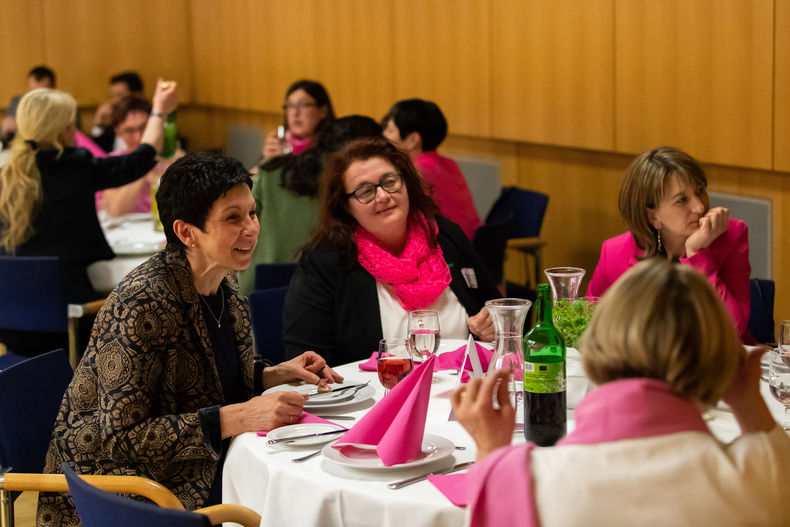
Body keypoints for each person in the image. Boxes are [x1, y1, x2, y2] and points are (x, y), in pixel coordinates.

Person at [38, 151, 343, 526]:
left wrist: (272, 374)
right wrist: (237, 416)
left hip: (196, 467)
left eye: (252, 212)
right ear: (186, 232)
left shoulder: (223, 284)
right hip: (125, 494)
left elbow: (202, 380)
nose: (252, 228)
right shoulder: (143, 302)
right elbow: (121, 438)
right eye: (233, 218)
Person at [454, 259, 790, 525]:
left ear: (597, 343)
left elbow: (494, 506)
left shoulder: (528, 482)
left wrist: (490, 451)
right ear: (718, 364)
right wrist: (747, 399)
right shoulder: (759, 477)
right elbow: (773, 454)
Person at [283, 136, 500, 366]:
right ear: (346, 206)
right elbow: (306, 360)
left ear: (406, 182)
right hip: (376, 398)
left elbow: (500, 313)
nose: (383, 196)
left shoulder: (444, 237)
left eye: (390, 181)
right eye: (365, 192)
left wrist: (492, 326)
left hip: (462, 392)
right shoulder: (325, 261)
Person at [0, 82, 177, 357]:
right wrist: (159, 110)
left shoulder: (6, 175)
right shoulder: (75, 168)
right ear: (64, 130)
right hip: (72, 327)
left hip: (11, 325)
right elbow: (144, 156)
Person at [587, 146, 750, 339]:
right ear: (652, 215)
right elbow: (592, 323)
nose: (699, 206)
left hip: (713, 360)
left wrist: (696, 252)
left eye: (700, 191)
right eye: (681, 200)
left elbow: (732, 328)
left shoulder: (730, 235)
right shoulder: (615, 253)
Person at [238, 115, 382, 296]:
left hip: (261, 283)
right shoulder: (345, 184)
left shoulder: (273, 169)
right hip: (322, 282)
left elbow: (244, 219)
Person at [382, 99, 481, 239]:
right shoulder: (449, 163)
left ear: (412, 140)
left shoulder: (417, 171)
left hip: (450, 249)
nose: (384, 134)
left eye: (390, 130)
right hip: (472, 244)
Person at [96, 97, 184, 217]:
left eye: (144, 128)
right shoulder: (113, 162)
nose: (139, 137)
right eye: (129, 131)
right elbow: (115, 211)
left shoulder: (174, 158)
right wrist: (143, 165)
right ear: (118, 131)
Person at [261, 79, 335, 160]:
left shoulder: (334, 151)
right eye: (290, 105)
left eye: (303, 105)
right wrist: (267, 160)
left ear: (322, 111)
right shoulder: (280, 142)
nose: (295, 113)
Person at [90, 71, 145, 153]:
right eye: (112, 96)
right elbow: (97, 152)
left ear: (137, 95)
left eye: (119, 95)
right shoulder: (114, 122)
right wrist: (98, 123)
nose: (114, 101)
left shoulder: (151, 119)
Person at [1, 65, 56, 145]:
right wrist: (4, 132)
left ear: (53, 89)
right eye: (32, 91)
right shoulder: (16, 103)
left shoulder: (64, 108)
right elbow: (4, 141)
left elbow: (75, 142)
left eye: (41, 92)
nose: (36, 97)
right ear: (28, 88)